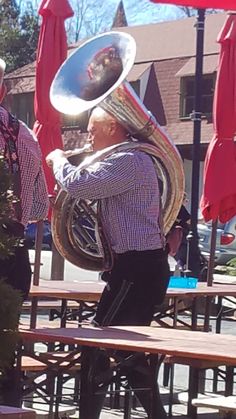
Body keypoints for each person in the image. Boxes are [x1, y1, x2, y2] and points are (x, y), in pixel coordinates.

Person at [46, 106, 170, 419]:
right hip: (133, 267)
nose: (88, 136)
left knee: (99, 341)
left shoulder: (128, 160)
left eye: (92, 129)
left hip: (138, 268)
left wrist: (59, 161)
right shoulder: (125, 160)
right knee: (120, 349)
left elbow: (81, 186)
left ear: (113, 126)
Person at [0, 58, 49, 301]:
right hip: (16, 255)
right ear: (2, 92)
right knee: (9, 335)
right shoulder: (27, 135)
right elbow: (40, 207)